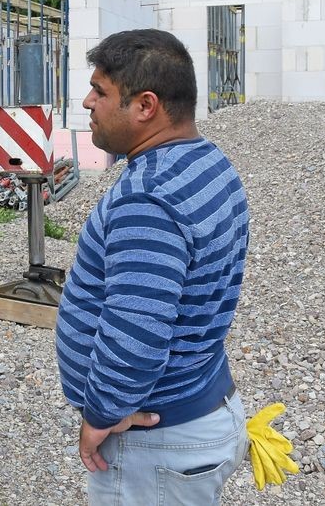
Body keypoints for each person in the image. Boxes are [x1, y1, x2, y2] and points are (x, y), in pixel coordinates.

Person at [55, 29, 250, 505]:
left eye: (100, 92)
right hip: (202, 407)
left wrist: (101, 414)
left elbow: (137, 331)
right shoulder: (207, 162)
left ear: (145, 106)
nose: (86, 102)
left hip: (158, 443)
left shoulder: (148, 197)